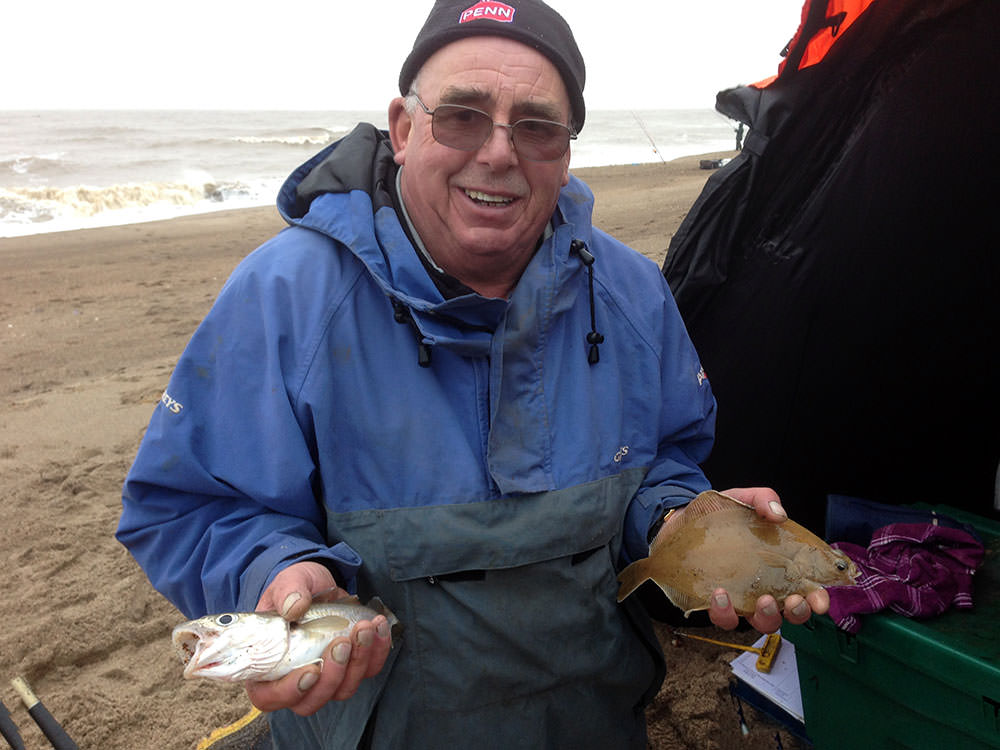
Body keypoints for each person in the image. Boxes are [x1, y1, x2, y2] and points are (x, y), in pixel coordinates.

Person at [117, 1, 827, 747]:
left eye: (537, 126)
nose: (498, 153)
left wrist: (681, 522)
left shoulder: (631, 293)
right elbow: (190, 504)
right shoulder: (283, 295)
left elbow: (664, 462)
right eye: (461, 115)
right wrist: (275, 569)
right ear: (402, 128)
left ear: (566, 149)